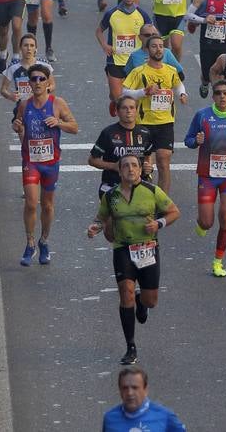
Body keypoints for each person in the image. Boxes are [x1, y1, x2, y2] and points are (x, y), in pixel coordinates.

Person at [88, 155, 180, 366]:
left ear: (140, 170)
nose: (130, 169)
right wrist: (95, 227)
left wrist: (159, 223)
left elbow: (174, 212)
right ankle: (130, 346)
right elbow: (101, 218)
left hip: (148, 249)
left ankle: (141, 301)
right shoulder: (111, 196)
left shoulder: (152, 191)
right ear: (120, 172)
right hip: (123, 250)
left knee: (151, 301)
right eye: (126, 166)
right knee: (125, 294)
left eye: (134, 166)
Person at [12, 63, 78, 266]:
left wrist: (58, 123)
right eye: (34, 79)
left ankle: (44, 241)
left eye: (42, 79)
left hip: (51, 162)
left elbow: (75, 127)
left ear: (49, 82)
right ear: (29, 83)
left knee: (47, 206)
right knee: (32, 202)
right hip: (30, 161)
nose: (38, 82)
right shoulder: (24, 104)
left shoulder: (57, 103)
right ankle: (30, 242)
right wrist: (17, 126)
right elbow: (18, 124)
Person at [184, 80, 226, 277]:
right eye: (218, 93)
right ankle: (201, 223)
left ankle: (218, 261)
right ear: (213, 96)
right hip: (207, 175)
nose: (222, 96)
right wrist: (194, 141)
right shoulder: (202, 115)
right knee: (207, 222)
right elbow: (188, 140)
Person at [122, 34, 187, 194]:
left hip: (166, 121)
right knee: (142, 164)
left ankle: (162, 201)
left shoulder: (171, 70)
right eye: (154, 46)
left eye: (160, 46)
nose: (158, 49)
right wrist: (143, 92)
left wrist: (182, 94)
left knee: (164, 161)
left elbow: (178, 85)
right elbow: (124, 92)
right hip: (144, 122)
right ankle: (140, 196)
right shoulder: (139, 71)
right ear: (147, 49)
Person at [96, 0, 151, 111]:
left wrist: (149, 52)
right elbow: (99, 31)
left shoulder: (142, 14)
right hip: (115, 60)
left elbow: (152, 34)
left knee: (133, 102)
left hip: (136, 62)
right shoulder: (111, 14)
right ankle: (114, 98)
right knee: (119, 99)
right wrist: (105, 45)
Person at [88, 95, 154, 199]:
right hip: (112, 185)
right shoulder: (108, 133)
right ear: (117, 112)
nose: (129, 111)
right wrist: (113, 166)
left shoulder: (145, 133)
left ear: (137, 111)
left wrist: (148, 166)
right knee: (113, 215)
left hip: (139, 186)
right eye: (124, 108)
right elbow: (92, 160)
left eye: (132, 108)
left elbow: (148, 155)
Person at [102, 367, 187, 431]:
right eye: (125, 388)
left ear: (145, 390)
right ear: (120, 390)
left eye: (135, 388)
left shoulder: (165, 416)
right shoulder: (110, 418)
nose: (130, 393)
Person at [0, 34, 53, 106]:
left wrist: (43, 91)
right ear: (20, 48)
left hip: (41, 105)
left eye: (32, 45)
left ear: (35, 48)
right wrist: (10, 96)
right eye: (26, 45)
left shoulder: (45, 65)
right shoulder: (13, 67)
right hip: (22, 107)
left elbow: (52, 85)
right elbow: (3, 90)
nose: (29, 48)